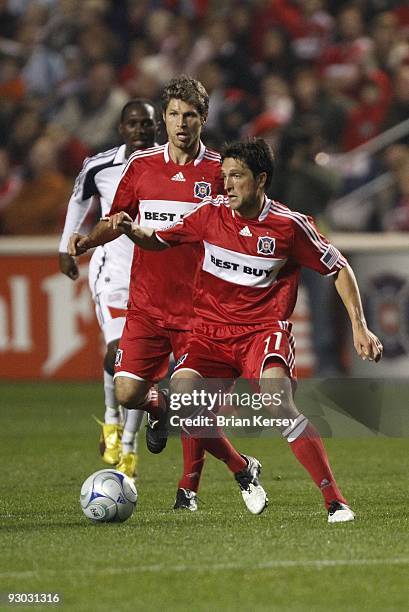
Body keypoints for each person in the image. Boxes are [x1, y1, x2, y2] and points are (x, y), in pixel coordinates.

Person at [110, 138, 383, 523]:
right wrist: (131, 230)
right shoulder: (208, 214)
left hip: (261, 331)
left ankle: (335, 501)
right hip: (210, 333)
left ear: (261, 180)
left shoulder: (290, 226)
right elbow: (158, 240)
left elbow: (338, 267)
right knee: (186, 398)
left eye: (236, 177)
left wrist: (360, 326)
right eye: (224, 176)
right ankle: (241, 468)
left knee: (277, 402)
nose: (227, 185)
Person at [68, 76, 267, 514]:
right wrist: (88, 239)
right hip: (147, 306)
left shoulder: (219, 171)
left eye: (190, 115)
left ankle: (195, 489)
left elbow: (246, 221)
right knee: (125, 393)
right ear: (165, 119)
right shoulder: (141, 167)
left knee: (194, 407)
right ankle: (236, 463)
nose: (181, 123)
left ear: (203, 119)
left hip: (200, 309)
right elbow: (117, 218)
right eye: (174, 114)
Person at [59, 99, 160, 479]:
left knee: (143, 368)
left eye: (146, 125)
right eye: (132, 124)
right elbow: (78, 201)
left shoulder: (167, 167)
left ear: (156, 128)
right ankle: (110, 419)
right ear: (121, 129)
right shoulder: (100, 165)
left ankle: (129, 447)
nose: (139, 130)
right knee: (120, 353)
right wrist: (64, 246)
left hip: (156, 277)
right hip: (113, 273)